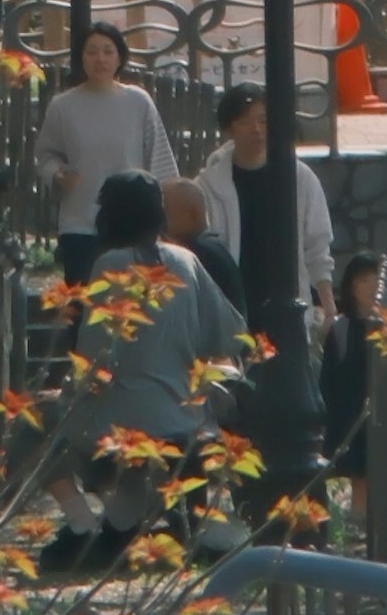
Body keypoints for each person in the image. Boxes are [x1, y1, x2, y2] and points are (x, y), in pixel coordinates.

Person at [37, 167, 254, 571]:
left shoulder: (110, 265)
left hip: (120, 424)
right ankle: (139, 519)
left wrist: (64, 392)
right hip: (187, 418)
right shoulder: (186, 260)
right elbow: (232, 333)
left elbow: (95, 360)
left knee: (33, 421)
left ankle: (85, 527)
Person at [32, 21, 176, 288]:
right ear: (81, 58)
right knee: (84, 306)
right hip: (80, 222)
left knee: (132, 308)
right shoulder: (63, 106)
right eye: (92, 52)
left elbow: (159, 157)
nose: (100, 59)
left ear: (120, 57)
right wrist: (57, 174)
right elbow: (45, 155)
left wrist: (165, 217)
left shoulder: (138, 101)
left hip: (133, 225)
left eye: (108, 51)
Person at [194, 85, 334, 315]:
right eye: (245, 122)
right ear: (228, 129)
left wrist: (328, 307)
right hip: (233, 312)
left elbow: (317, 247)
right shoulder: (207, 186)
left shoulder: (299, 178)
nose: (256, 130)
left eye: (263, 120)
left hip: (290, 309)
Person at [319, 247, 387, 460]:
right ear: (351, 287)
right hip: (348, 423)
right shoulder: (341, 329)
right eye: (363, 281)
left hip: (383, 421)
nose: (370, 288)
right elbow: (327, 382)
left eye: (375, 281)